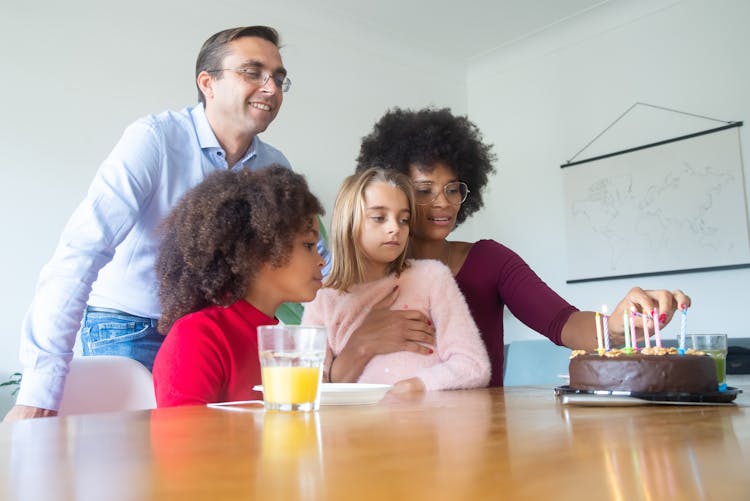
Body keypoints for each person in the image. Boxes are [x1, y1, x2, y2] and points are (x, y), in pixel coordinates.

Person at [5, 26, 329, 421]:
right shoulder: (154, 140)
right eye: (252, 72)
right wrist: (39, 392)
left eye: (278, 78)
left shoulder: (273, 166)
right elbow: (81, 251)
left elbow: (317, 263)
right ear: (207, 83)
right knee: (139, 472)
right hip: (130, 328)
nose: (271, 88)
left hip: (215, 334)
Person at [331, 107, 691, 387]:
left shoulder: (490, 261)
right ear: (397, 193)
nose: (443, 203)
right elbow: (323, 383)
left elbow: (562, 322)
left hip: (478, 440)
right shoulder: (362, 277)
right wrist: (362, 343)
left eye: (453, 188)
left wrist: (616, 326)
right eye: (424, 190)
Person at [301, 168, 491, 393]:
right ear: (348, 223)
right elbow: (308, 387)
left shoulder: (432, 277)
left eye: (403, 220)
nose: (395, 229)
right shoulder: (323, 298)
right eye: (379, 218)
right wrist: (360, 345)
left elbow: (473, 365)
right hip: (355, 425)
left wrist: (413, 387)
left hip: (428, 421)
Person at [152, 166, 325, 407]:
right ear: (260, 251)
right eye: (308, 245)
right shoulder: (197, 337)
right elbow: (181, 440)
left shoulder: (279, 340)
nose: (321, 260)